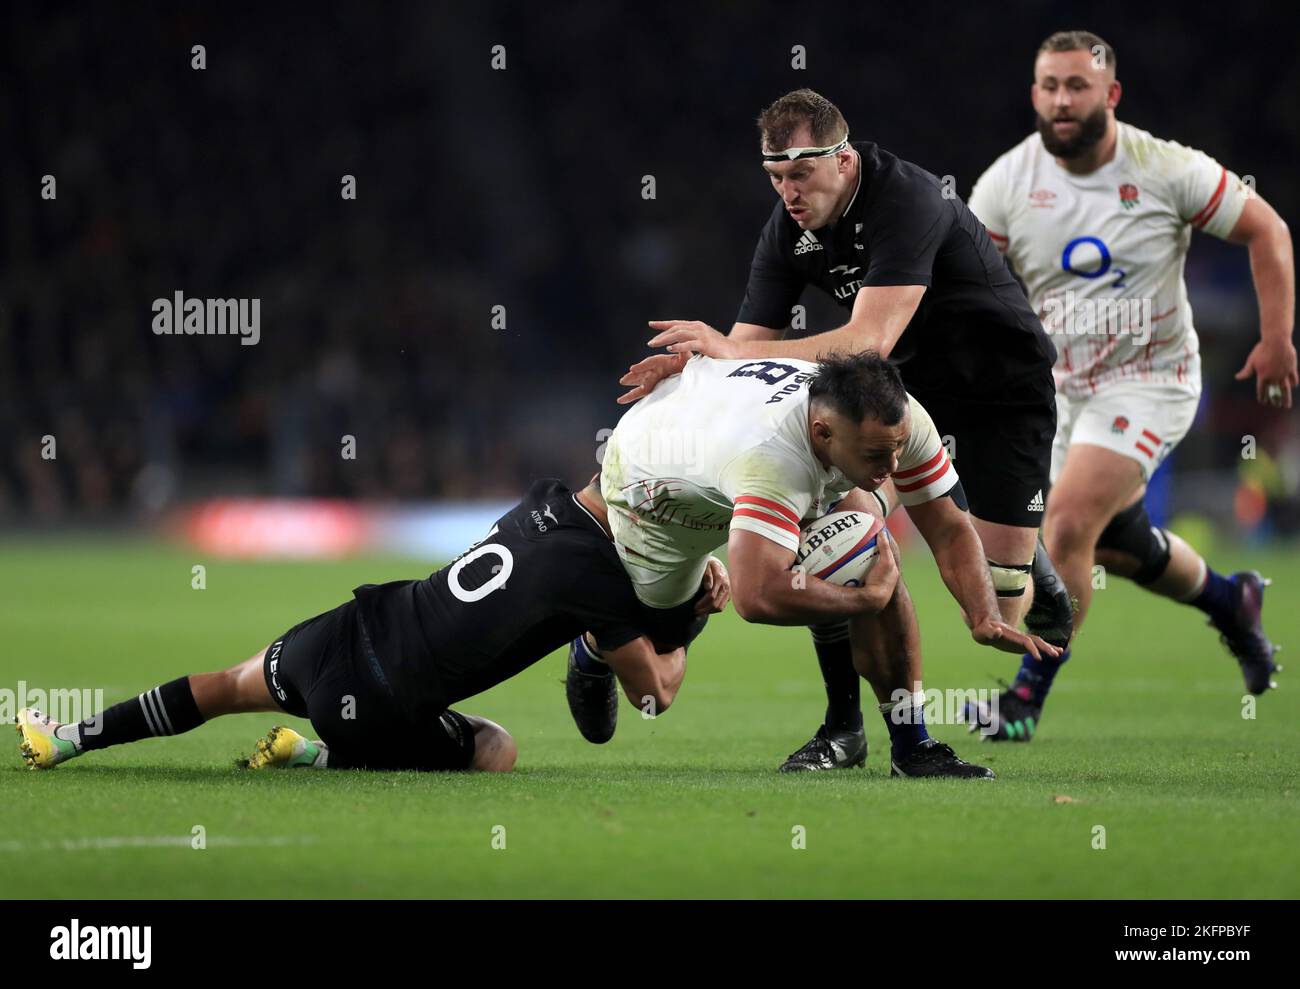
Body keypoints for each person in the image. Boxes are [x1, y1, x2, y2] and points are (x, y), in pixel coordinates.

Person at [616, 88, 1072, 767]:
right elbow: (745, 355)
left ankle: (1032, 567)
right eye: (775, 177)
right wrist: (691, 372)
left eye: (801, 174)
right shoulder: (788, 231)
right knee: (839, 531)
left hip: (999, 393)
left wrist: (733, 350)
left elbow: (869, 337)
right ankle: (845, 727)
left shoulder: (907, 200)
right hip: (886, 399)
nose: (788, 192)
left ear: (846, 160)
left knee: (1004, 595)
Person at [961, 30, 1293, 740]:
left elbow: (1268, 230)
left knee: (1071, 521)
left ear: (1110, 94)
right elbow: (971, 289)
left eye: (1077, 86)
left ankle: (1023, 702)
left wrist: (1275, 338)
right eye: (1049, 86)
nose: (1061, 100)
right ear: (1034, 94)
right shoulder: (1005, 184)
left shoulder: (1166, 168)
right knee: (1113, 544)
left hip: (1150, 379)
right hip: (1061, 391)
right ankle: (1232, 600)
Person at [18, 478, 728, 773]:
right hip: (379, 704)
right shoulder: (598, 585)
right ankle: (320, 754)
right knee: (497, 747)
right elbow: (653, 694)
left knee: (225, 685)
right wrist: (691, 614)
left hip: (349, 626)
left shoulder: (542, 498)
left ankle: (68, 739)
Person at [570, 350, 1058, 777]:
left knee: (866, 548)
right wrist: (862, 599)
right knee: (655, 682)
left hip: (747, 474)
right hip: (657, 503)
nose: (890, 471)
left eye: (895, 452)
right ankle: (594, 644)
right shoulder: (773, 458)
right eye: (875, 457)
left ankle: (908, 745)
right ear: (824, 434)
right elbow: (756, 595)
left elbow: (949, 527)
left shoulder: (898, 424)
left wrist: (983, 615)